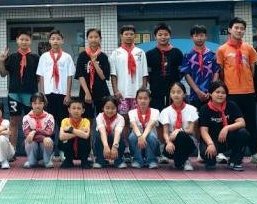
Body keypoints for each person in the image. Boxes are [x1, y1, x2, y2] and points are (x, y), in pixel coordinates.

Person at [216, 17, 257, 161]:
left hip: (248, 92)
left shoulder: (249, 49)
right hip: (231, 93)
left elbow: (252, 70)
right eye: (236, 28)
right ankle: (230, 153)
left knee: (251, 123)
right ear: (230, 29)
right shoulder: (222, 50)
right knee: (230, 123)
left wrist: (247, 83)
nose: (239, 31)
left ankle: (254, 153)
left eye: (242, 28)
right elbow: (221, 72)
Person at [0, 29, 40, 154]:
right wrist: (1, 60)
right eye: (21, 39)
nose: (24, 42)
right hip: (14, 94)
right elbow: (3, 74)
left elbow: (39, 77)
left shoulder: (35, 57)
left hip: (30, 95)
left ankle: (31, 151)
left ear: (30, 41)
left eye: (26, 40)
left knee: (32, 122)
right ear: (17, 40)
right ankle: (12, 150)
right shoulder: (12, 57)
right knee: (14, 121)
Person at [111, 25, 149, 153]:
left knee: (139, 121)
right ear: (121, 36)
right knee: (125, 120)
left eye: (131, 34)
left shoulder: (140, 52)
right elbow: (113, 74)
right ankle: (126, 147)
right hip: (122, 93)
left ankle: (139, 148)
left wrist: (143, 90)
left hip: (138, 94)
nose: (129, 36)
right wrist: (115, 91)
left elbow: (145, 73)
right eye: (126, 34)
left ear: (134, 36)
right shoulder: (116, 53)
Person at [198, 81, 250, 171]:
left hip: (227, 139)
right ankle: (211, 161)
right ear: (210, 94)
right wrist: (210, 144)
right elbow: (203, 131)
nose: (220, 95)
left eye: (223, 93)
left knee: (243, 133)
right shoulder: (204, 109)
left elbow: (242, 122)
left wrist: (227, 128)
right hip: (212, 140)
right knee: (209, 161)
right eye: (217, 92)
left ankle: (234, 161)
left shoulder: (231, 105)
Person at [36, 29, 74, 148]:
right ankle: (50, 150)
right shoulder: (44, 57)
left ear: (62, 41)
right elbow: (41, 76)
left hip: (62, 94)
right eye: (53, 39)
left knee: (63, 122)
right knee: (49, 124)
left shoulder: (67, 57)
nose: (55, 41)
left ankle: (63, 150)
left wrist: (68, 94)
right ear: (49, 41)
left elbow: (69, 76)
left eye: (58, 39)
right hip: (48, 95)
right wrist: (42, 95)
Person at [159, 82, 198, 171]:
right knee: (178, 163)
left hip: (188, 141)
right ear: (170, 94)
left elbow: (190, 130)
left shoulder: (192, 109)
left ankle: (185, 160)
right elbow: (165, 133)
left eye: (179, 92)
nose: (176, 94)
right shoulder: (166, 111)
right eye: (173, 92)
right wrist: (168, 142)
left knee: (181, 135)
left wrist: (179, 130)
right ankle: (182, 160)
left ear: (184, 94)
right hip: (172, 142)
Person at [145, 23, 183, 111]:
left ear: (170, 36)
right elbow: (147, 73)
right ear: (155, 36)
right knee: (157, 112)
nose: (163, 37)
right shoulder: (149, 54)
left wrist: (175, 82)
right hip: (155, 90)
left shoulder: (177, 52)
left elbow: (181, 71)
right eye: (160, 35)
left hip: (174, 90)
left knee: (174, 112)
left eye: (166, 34)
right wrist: (154, 82)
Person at [76, 28, 111, 122]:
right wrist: (87, 93)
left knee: (103, 118)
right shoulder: (82, 55)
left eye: (96, 37)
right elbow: (80, 75)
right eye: (91, 37)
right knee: (87, 119)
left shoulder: (103, 57)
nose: (93, 39)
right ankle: (88, 133)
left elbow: (103, 77)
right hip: (85, 91)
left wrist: (95, 62)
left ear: (100, 38)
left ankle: (102, 132)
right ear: (87, 39)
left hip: (101, 91)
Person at [180, 25, 219, 108]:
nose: (199, 38)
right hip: (194, 94)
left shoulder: (212, 54)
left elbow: (216, 72)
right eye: (196, 36)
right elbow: (187, 74)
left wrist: (212, 90)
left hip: (211, 94)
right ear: (191, 38)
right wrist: (197, 91)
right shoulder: (187, 55)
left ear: (206, 37)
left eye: (201, 35)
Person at [128, 88, 160, 169]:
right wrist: (139, 136)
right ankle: (137, 160)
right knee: (132, 136)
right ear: (136, 100)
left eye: (145, 98)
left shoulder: (155, 111)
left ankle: (151, 160)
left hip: (151, 142)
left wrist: (142, 137)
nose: (143, 101)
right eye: (140, 98)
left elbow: (150, 125)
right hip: (137, 142)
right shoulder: (131, 112)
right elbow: (134, 125)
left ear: (150, 99)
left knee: (150, 136)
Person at [22, 92, 55, 169]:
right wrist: (42, 137)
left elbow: (48, 133)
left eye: (40, 103)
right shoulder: (26, 118)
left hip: (44, 145)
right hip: (32, 145)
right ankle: (31, 161)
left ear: (44, 104)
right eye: (35, 103)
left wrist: (34, 131)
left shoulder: (49, 117)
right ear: (31, 104)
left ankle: (47, 161)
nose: (37, 106)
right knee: (29, 140)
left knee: (48, 139)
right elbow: (27, 134)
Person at [93, 96, 126, 168]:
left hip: (115, 140)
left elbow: (117, 133)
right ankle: (100, 161)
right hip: (104, 141)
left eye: (113, 108)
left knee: (119, 136)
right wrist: (105, 146)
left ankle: (118, 161)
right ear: (103, 108)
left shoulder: (120, 118)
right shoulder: (99, 117)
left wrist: (115, 146)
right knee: (98, 136)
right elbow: (102, 132)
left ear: (117, 108)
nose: (110, 111)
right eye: (107, 108)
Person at [59, 97, 92, 168]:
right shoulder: (65, 121)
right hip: (69, 151)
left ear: (83, 110)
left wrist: (71, 130)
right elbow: (61, 137)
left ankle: (84, 161)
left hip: (82, 151)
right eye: (73, 108)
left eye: (79, 108)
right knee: (67, 137)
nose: (76, 110)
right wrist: (79, 132)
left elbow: (86, 136)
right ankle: (68, 160)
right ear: (69, 110)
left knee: (83, 138)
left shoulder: (86, 121)